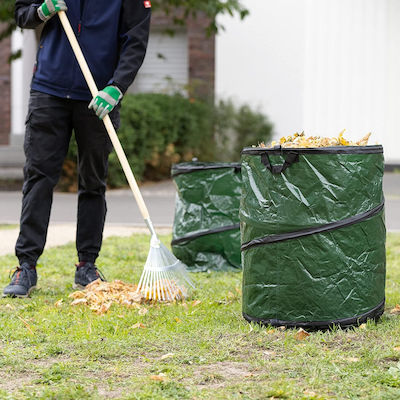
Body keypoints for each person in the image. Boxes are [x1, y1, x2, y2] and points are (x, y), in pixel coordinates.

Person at [3, 0, 151, 297]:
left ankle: (87, 265)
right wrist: (40, 12)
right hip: (49, 90)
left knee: (93, 181)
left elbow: (136, 39)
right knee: (38, 178)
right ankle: (26, 265)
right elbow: (22, 13)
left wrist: (117, 87)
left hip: (99, 95)